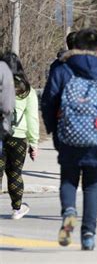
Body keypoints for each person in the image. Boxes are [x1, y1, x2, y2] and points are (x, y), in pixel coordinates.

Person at [41, 28, 97, 251]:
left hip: (69, 134)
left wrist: (53, 130)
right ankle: (88, 233)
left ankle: (69, 212)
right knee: (91, 185)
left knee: (69, 179)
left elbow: (49, 101)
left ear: (75, 46)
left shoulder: (63, 68)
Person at [0, 52, 38, 220]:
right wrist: (34, 142)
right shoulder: (27, 91)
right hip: (18, 137)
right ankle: (17, 208)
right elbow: (32, 118)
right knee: (15, 172)